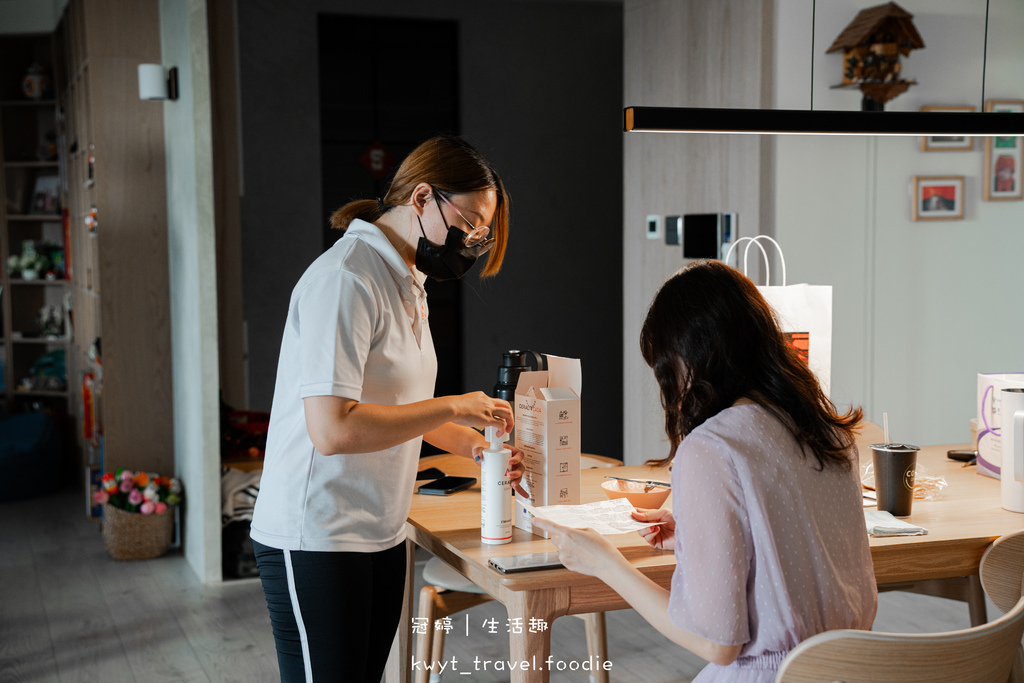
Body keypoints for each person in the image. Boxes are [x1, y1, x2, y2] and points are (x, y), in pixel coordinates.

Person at [249, 135, 528, 683]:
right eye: (469, 223)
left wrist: (477, 446)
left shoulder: (408, 281)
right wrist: (455, 403)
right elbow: (332, 429)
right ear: (422, 197)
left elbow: (404, 408)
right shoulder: (347, 277)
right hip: (317, 532)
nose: (472, 241)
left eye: (481, 232)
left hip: (379, 527)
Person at [535, 260, 877, 682]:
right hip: (855, 669)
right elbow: (796, 543)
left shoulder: (712, 448)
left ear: (684, 361)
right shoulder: (828, 431)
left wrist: (608, 565)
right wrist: (700, 535)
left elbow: (717, 642)